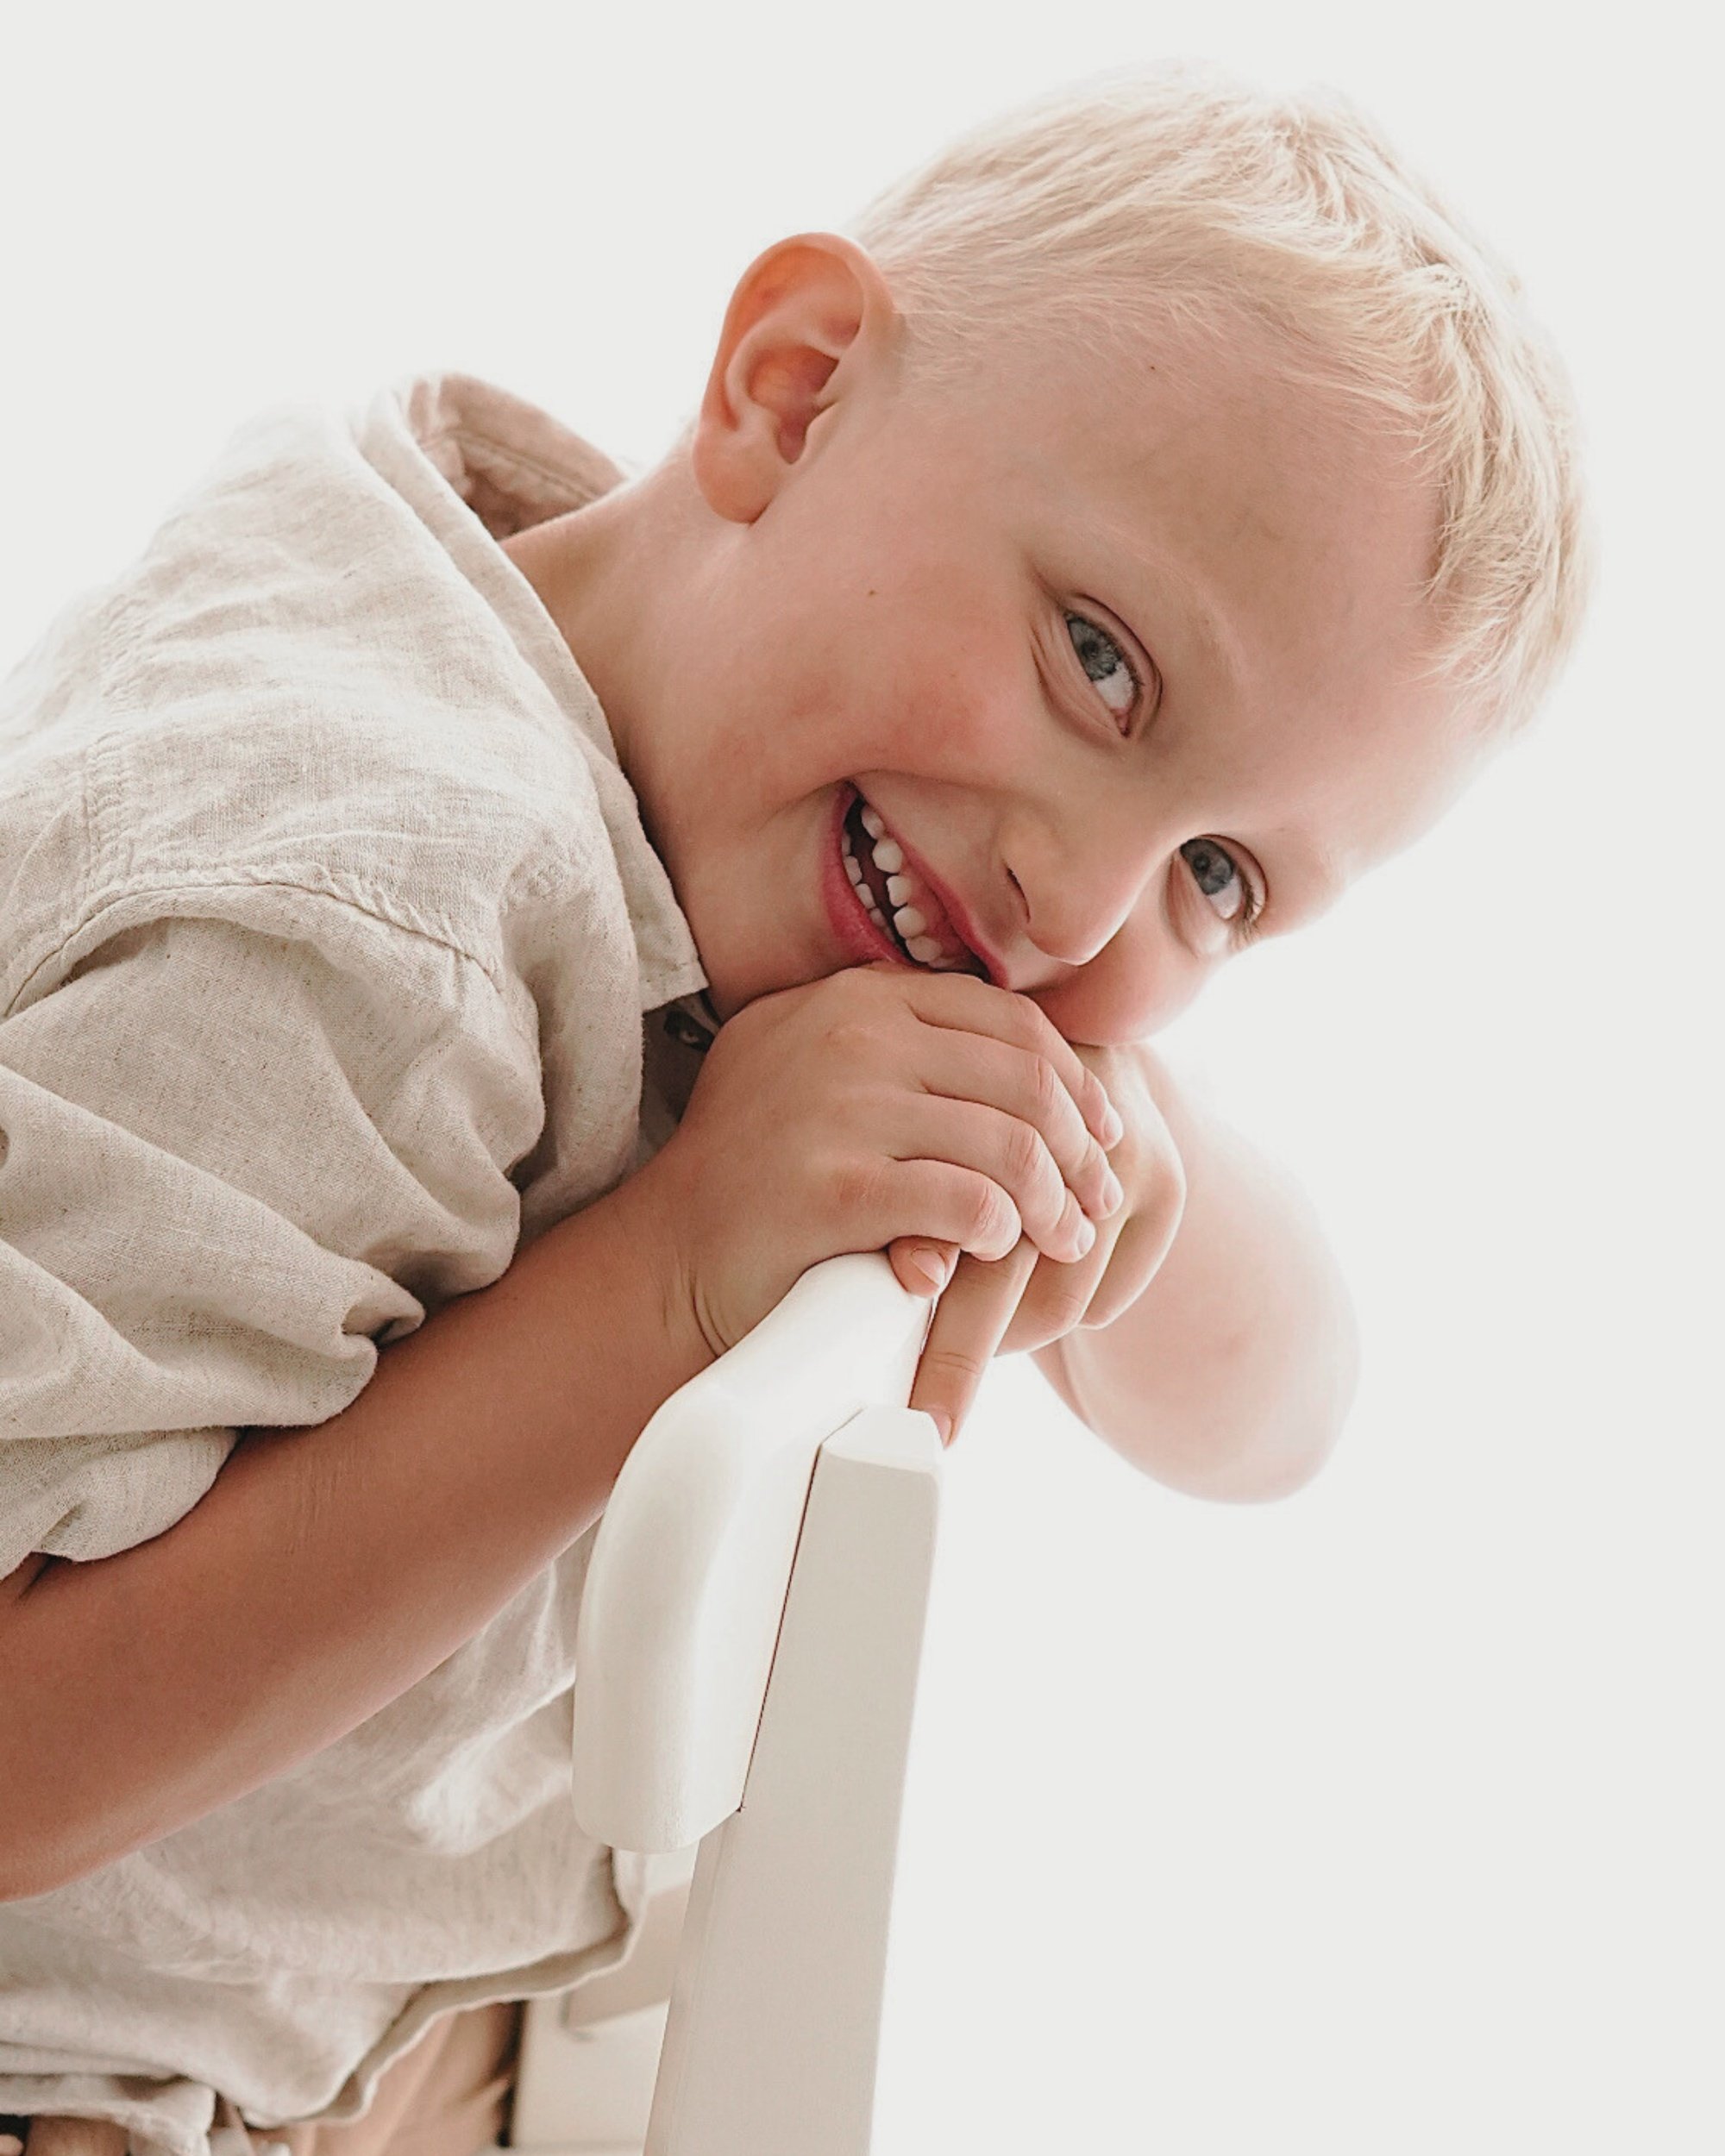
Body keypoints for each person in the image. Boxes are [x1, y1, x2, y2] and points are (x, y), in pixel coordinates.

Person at [0, 60, 1589, 2156]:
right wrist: (665, 1285)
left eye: (1219, 877)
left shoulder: (669, 673)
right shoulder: (373, 937)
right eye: (1103, 663)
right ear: (796, 388)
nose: (1078, 903)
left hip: (357, 2008)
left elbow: (1286, 1406)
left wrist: (1125, 1153)